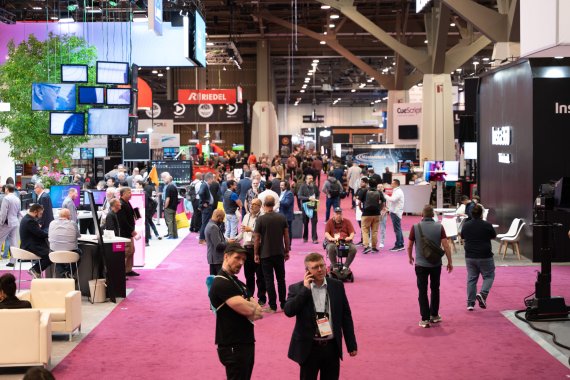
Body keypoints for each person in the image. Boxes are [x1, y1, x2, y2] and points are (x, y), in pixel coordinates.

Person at [284, 252, 358, 379]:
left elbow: (346, 316)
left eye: (322, 265)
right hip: (309, 348)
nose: (320, 270)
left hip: (332, 347)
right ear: (307, 271)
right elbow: (289, 311)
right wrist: (305, 290)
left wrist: (351, 344)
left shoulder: (337, 285)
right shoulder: (297, 288)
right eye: (315, 267)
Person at [209, 242, 263, 380]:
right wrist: (250, 305)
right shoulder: (221, 283)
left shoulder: (239, 284)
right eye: (237, 258)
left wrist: (251, 306)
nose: (240, 263)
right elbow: (249, 309)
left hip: (246, 341)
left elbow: (258, 313)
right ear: (226, 257)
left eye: (243, 260)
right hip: (232, 345)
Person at [407, 205, 453, 328]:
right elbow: (446, 245)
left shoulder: (415, 227)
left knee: (422, 291)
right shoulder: (439, 226)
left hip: (421, 264)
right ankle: (434, 315)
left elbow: (410, 245)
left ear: (422, 215)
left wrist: (410, 256)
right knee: (435, 288)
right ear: (433, 215)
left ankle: (425, 319)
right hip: (436, 264)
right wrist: (450, 261)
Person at [254, 195, 290, 312]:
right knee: (281, 279)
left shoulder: (260, 219)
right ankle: (283, 303)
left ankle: (273, 306)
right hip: (279, 253)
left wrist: (256, 254)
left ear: (264, 206)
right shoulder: (281, 217)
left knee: (269, 280)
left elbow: (257, 239)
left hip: (265, 254)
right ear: (274, 205)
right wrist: (287, 250)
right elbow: (286, 236)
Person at [461, 204, 497, 311]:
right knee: (489, 276)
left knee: (472, 279)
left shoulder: (466, 225)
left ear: (471, 213)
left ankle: (470, 303)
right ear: (482, 213)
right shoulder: (487, 225)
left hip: (470, 256)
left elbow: (462, 236)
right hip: (485, 255)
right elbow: (493, 236)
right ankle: (483, 294)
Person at [235, 198, 266, 306]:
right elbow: (242, 232)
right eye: (251, 204)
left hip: (258, 248)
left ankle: (262, 298)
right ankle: (249, 295)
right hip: (246, 249)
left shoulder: (262, 217)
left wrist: (251, 229)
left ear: (260, 206)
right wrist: (235, 239)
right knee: (248, 275)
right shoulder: (246, 216)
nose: (252, 206)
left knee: (260, 276)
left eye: (254, 204)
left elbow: (263, 233)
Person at [48, 208, 81, 278]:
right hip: (71, 253)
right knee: (79, 252)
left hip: (54, 253)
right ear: (68, 216)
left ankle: (64, 273)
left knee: (54, 254)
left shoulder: (52, 223)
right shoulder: (72, 223)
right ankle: (68, 273)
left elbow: (49, 236)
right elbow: (78, 236)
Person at [21, 204, 51, 278]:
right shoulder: (30, 221)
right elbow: (40, 234)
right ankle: (35, 270)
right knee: (50, 256)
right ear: (35, 212)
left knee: (50, 254)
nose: (41, 216)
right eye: (40, 213)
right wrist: (51, 234)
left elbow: (37, 232)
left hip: (29, 244)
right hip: (30, 246)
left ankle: (36, 270)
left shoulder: (27, 218)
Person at [116, 187, 139, 277]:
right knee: (126, 252)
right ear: (123, 194)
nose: (131, 194)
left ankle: (128, 270)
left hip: (129, 232)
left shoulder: (127, 202)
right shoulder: (121, 204)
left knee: (131, 251)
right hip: (124, 233)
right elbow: (123, 221)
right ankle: (122, 272)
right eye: (128, 192)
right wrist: (131, 230)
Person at [324, 208, 357, 272]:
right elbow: (326, 233)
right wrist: (330, 238)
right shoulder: (329, 222)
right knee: (331, 247)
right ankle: (335, 267)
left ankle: (346, 266)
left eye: (340, 214)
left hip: (345, 242)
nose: (338, 215)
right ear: (333, 215)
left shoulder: (347, 221)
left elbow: (352, 233)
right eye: (337, 214)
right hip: (334, 242)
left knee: (353, 248)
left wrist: (350, 237)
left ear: (342, 215)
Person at [360, 179, 384, 254]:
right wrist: (379, 209)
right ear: (376, 184)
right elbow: (383, 202)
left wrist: (361, 209)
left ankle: (366, 246)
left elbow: (359, 202)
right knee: (375, 231)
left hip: (366, 213)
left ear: (368, 184)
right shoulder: (379, 192)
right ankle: (374, 247)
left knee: (365, 230)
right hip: (376, 213)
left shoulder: (365, 191)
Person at [0, 184, 22, 267]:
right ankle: (12, 261)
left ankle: (11, 261)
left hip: (7, 223)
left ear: (7, 189)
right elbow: (18, 211)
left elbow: (3, 213)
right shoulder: (17, 198)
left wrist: (1, 222)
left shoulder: (6, 198)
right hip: (15, 222)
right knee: (14, 242)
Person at [384, 179, 405, 251]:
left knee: (397, 229)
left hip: (396, 212)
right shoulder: (396, 191)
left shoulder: (398, 192)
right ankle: (400, 244)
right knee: (398, 229)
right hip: (395, 211)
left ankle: (399, 245)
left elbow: (392, 199)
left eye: (392, 183)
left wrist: (385, 195)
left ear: (396, 184)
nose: (391, 184)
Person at [298, 174, 320, 244]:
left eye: (312, 178)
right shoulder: (302, 186)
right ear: (306, 179)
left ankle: (314, 238)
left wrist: (316, 199)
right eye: (309, 178)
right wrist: (308, 198)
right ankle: (305, 237)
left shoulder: (315, 186)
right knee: (305, 223)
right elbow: (299, 196)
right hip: (305, 206)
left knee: (314, 222)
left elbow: (318, 194)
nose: (311, 180)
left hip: (314, 206)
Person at [206, 209, 227, 275]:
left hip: (213, 259)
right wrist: (229, 243)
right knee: (219, 281)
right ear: (218, 217)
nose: (222, 221)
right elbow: (218, 246)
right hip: (217, 259)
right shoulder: (213, 227)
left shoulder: (209, 224)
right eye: (222, 219)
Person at [198, 172, 216, 245]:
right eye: (212, 179)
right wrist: (203, 202)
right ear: (209, 179)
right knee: (205, 223)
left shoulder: (206, 185)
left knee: (206, 223)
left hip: (208, 207)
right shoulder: (204, 185)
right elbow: (201, 193)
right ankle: (202, 239)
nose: (213, 180)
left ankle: (203, 238)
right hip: (207, 207)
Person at [162, 172, 179, 240]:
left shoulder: (168, 187)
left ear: (167, 179)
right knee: (173, 221)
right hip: (174, 206)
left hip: (169, 207)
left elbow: (167, 198)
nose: (163, 180)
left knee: (169, 221)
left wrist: (165, 206)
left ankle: (171, 235)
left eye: (164, 179)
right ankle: (175, 234)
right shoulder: (174, 187)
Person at [279, 181, 295, 245]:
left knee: (288, 232)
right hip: (281, 215)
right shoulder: (281, 193)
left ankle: (288, 245)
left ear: (286, 186)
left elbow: (287, 203)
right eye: (280, 185)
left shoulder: (289, 193)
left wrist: (278, 201)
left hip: (287, 216)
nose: (280, 186)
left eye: (282, 185)